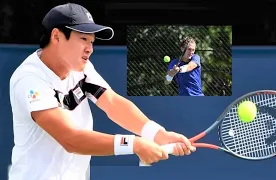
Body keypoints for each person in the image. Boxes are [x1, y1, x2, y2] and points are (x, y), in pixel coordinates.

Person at [8, 3, 195, 180]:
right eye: (83, 39)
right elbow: (70, 139)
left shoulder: (81, 68)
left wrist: (157, 134)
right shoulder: (30, 80)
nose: (90, 49)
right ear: (56, 36)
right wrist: (134, 144)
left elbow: (112, 103)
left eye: (92, 41)